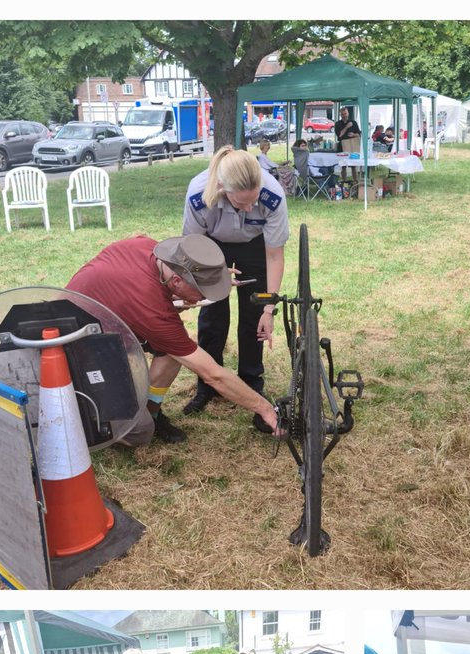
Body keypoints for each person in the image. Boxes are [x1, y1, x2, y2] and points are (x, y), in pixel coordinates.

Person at [66, 234, 281, 443]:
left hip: (100, 327)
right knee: (140, 433)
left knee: (172, 354)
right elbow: (213, 376)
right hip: (77, 349)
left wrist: (213, 277)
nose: (205, 298)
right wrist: (265, 408)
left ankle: (152, 411)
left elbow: (130, 292)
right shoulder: (151, 309)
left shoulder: (148, 248)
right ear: (177, 281)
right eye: (203, 291)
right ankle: (92, 419)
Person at [180, 145, 289, 434]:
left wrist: (270, 308)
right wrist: (213, 275)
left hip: (255, 246)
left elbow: (275, 256)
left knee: (254, 316)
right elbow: (193, 249)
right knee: (212, 313)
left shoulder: (272, 194)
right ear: (221, 189)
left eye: (254, 202)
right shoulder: (199, 193)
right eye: (242, 203)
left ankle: (252, 381)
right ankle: (208, 385)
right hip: (212, 245)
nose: (251, 208)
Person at [334, 105, 360, 185]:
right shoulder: (338, 124)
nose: (344, 115)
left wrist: (353, 134)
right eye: (342, 114)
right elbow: (340, 135)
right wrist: (347, 127)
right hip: (342, 146)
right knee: (343, 165)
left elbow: (359, 134)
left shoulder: (354, 122)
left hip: (352, 146)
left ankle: (355, 181)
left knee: (353, 165)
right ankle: (344, 181)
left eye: (345, 113)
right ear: (340, 115)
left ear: (348, 113)